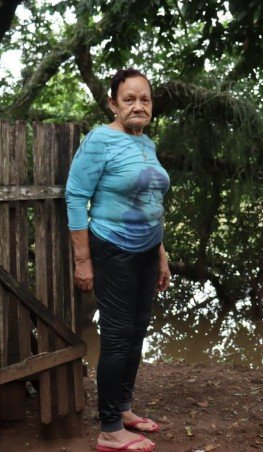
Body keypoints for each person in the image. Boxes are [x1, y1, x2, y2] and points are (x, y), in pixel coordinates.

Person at [66, 68, 170, 452]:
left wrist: (161, 255)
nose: (138, 106)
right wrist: (83, 260)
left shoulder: (148, 144)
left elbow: (152, 203)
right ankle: (109, 428)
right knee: (116, 337)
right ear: (113, 103)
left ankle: (123, 408)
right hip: (113, 249)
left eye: (145, 99)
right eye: (130, 99)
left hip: (146, 251)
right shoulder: (99, 141)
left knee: (138, 330)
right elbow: (76, 198)